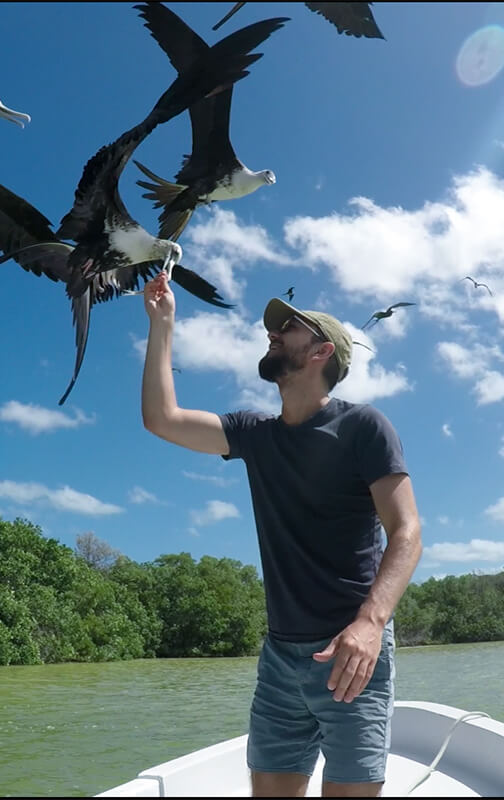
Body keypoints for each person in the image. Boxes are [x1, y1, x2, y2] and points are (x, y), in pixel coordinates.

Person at [141, 271, 422, 798]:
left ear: (320, 352)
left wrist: (369, 622)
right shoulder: (255, 435)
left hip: (351, 653)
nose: (272, 332)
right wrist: (162, 324)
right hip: (279, 659)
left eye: (287, 327)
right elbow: (162, 418)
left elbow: (406, 531)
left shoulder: (364, 427)